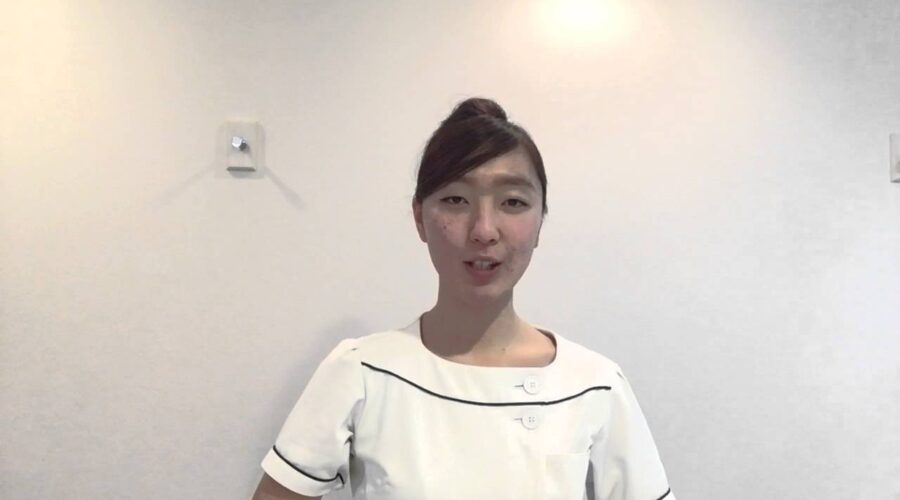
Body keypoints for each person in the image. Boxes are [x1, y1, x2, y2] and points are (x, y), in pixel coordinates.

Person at [251, 97, 676, 500]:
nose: (484, 230)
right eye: (456, 200)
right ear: (420, 217)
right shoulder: (363, 371)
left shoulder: (593, 385)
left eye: (513, 202)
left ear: (539, 222)